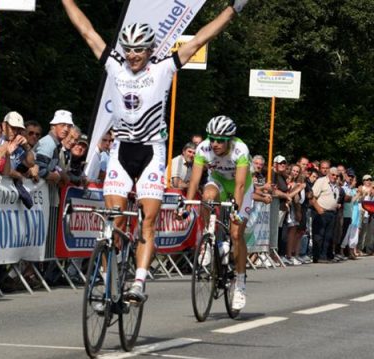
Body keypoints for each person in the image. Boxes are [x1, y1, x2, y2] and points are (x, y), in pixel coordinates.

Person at [61, 0, 248, 303]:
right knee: (114, 221)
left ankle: (138, 281)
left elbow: (201, 37)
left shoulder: (164, 68)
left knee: (148, 219)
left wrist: (232, 10)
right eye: (129, 49)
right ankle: (109, 283)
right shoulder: (114, 66)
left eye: (139, 50)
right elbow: (86, 31)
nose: (133, 55)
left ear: (149, 50)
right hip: (122, 150)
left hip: (151, 152)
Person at [187, 116, 253, 310]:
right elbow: (194, 180)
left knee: (236, 234)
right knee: (207, 196)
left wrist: (236, 210)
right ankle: (208, 239)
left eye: (220, 140)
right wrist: (187, 205)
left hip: (242, 187)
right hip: (219, 182)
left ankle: (240, 282)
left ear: (229, 140)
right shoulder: (203, 149)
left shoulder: (240, 149)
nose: (215, 144)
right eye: (212, 138)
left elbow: (240, 185)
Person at [310, 167, 340, 263]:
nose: (335, 177)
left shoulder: (336, 185)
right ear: (328, 173)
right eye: (333, 174)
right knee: (319, 235)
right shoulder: (321, 181)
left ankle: (324, 256)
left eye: (337, 175)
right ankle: (317, 256)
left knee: (328, 236)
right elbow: (312, 196)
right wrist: (318, 208)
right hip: (321, 211)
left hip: (332, 213)